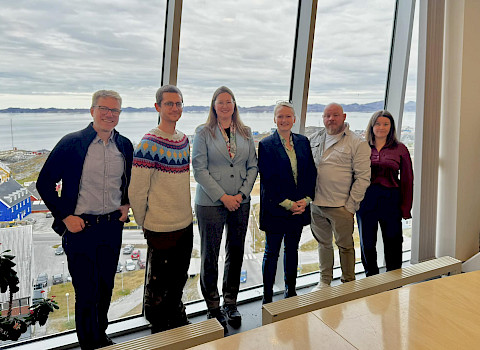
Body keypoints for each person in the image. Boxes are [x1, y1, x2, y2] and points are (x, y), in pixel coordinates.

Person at [36, 90, 134, 349]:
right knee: (86, 293)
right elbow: (44, 182)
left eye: (115, 110)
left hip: (111, 228)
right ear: (92, 110)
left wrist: (126, 204)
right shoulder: (72, 143)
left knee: (105, 289)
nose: (109, 114)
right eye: (104, 108)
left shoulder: (124, 145)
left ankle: (101, 337)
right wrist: (65, 216)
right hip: (80, 230)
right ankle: (90, 344)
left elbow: (127, 182)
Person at [128, 85, 193, 333]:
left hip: (185, 223)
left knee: (179, 279)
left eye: (178, 104)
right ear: (158, 107)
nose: (175, 108)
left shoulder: (183, 140)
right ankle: (159, 328)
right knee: (158, 284)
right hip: (160, 227)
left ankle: (176, 320)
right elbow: (137, 190)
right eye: (169, 104)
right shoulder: (148, 143)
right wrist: (145, 221)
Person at [192, 86, 258, 329]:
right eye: (220, 102)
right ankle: (213, 307)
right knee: (210, 255)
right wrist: (223, 197)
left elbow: (253, 166)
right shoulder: (203, 132)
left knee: (236, 252)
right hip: (211, 202)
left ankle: (231, 302)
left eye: (229, 102)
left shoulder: (246, 132)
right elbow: (199, 170)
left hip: (240, 201)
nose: (225, 106)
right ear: (213, 105)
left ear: (234, 105)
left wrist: (241, 194)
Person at [258, 101, 316, 304]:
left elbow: (310, 173)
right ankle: (267, 297)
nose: (284, 120)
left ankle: (290, 292)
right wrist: (288, 204)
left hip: (299, 209)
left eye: (288, 116)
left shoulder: (303, 141)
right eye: (280, 116)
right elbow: (268, 181)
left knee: (292, 250)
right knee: (271, 252)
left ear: (294, 119)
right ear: (274, 119)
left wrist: (306, 201)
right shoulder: (266, 145)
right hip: (276, 209)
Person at [309, 102, 370, 290]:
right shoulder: (315, 138)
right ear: (323, 118)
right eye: (327, 115)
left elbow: (363, 177)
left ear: (344, 117)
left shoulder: (356, 143)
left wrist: (350, 206)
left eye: (335, 115)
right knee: (323, 244)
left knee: (345, 246)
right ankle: (324, 281)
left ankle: (348, 283)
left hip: (340, 206)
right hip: (316, 203)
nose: (331, 119)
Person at [356, 110, 413, 276]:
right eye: (378, 124)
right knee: (367, 243)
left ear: (391, 127)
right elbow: (352, 175)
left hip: (391, 200)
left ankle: (394, 280)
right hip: (366, 200)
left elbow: (408, 180)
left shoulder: (400, 149)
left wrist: (406, 207)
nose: (381, 127)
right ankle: (370, 279)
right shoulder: (361, 147)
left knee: (393, 242)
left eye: (385, 124)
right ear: (372, 126)